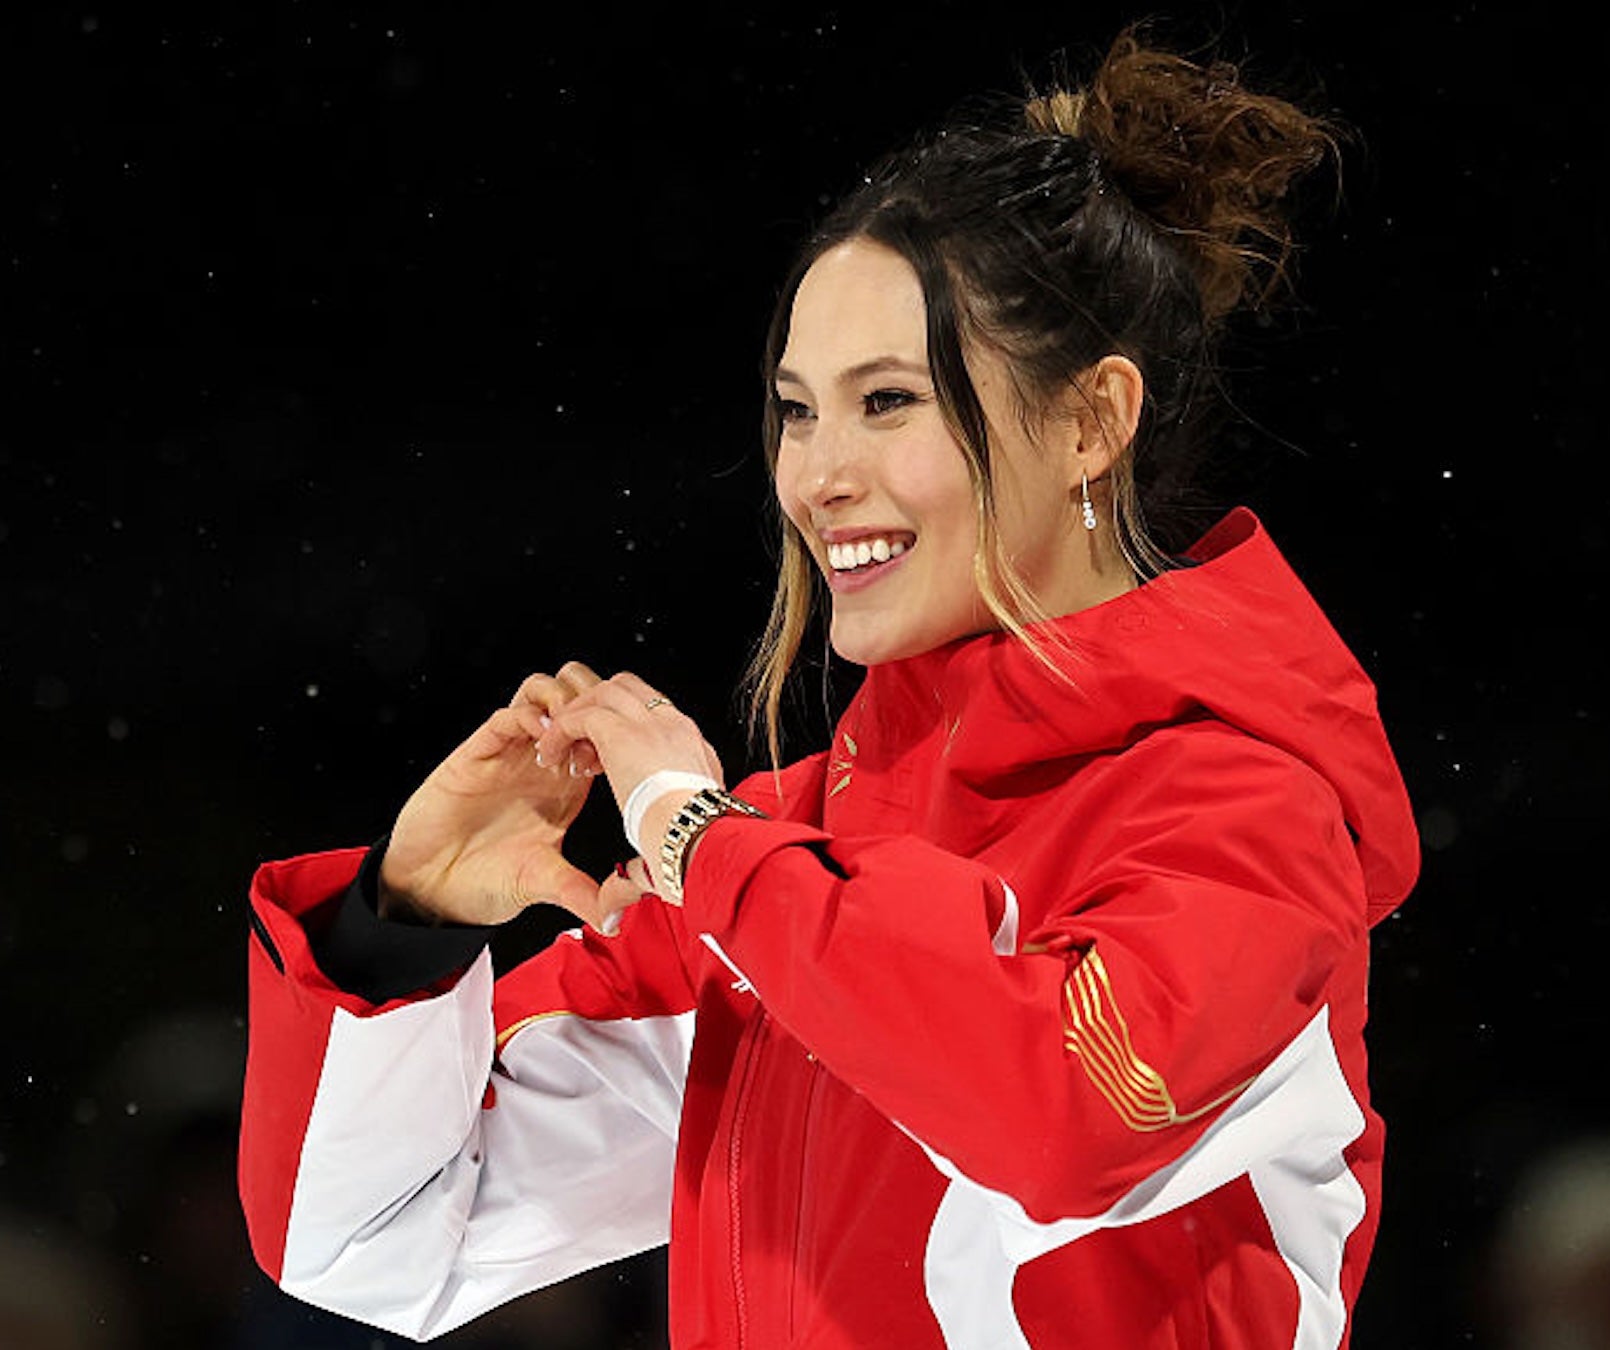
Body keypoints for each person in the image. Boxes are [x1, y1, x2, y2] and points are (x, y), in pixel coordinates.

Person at [239, 31, 1418, 1350]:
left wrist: (702, 842)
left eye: (889, 402)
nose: (819, 475)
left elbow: (1065, 1110)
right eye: (798, 410)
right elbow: (370, 1246)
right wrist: (399, 925)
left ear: (1092, 421)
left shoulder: (1246, 806)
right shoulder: (785, 871)